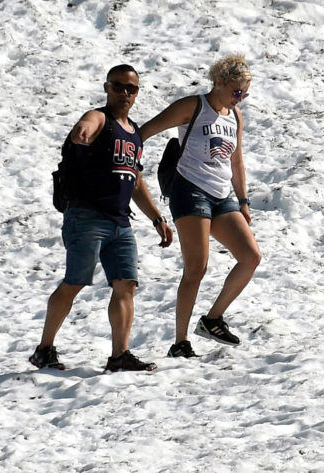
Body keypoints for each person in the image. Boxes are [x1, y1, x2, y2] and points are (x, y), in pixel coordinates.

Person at [29, 64, 175, 372]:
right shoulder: (99, 118)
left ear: (137, 92)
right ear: (107, 87)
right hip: (86, 217)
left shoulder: (134, 133)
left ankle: (119, 355)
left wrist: (157, 218)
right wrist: (82, 129)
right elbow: (88, 122)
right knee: (74, 283)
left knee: (126, 285)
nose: (124, 93)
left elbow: (135, 181)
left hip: (120, 222)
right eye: (118, 86)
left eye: (131, 88)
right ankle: (44, 349)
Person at [140, 54, 261, 358]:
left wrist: (243, 200)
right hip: (189, 189)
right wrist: (126, 162)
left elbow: (236, 159)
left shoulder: (234, 116)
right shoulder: (192, 106)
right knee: (197, 267)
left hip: (222, 194)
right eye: (236, 92)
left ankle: (212, 319)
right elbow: (144, 132)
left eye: (245, 93)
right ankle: (180, 342)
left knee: (250, 257)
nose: (240, 99)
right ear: (219, 82)